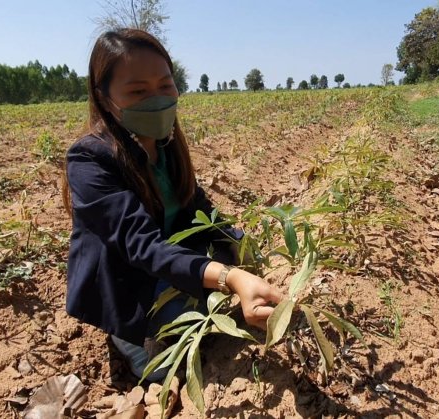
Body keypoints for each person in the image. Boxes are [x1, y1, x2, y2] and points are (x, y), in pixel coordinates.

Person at [62, 28, 284, 381]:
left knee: (227, 255)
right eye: (138, 91)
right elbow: (144, 248)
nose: (157, 99)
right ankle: (128, 338)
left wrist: (237, 241)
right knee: (172, 370)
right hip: (127, 280)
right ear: (105, 99)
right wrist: (231, 277)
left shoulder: (163, 145)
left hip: (169, 257)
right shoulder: (90, 159)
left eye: (165, 86)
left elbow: (197, 205)